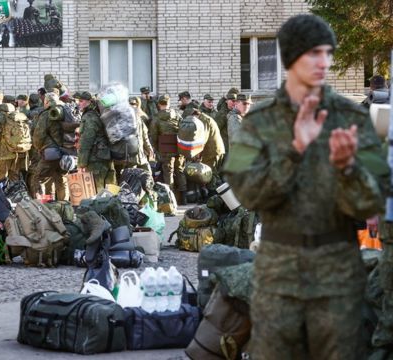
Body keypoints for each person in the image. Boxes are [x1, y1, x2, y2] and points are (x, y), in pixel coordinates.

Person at [223, 14, 388, 359]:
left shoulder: (353, 118)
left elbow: (374, 200)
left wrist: (347, 169)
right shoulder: (258, 121)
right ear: (291, 58)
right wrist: (294, 150)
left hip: (338, 272)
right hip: (278, 272)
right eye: (314, 53)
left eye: (328, 53)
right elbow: (247, 194)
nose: (324, 62)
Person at [77, 91, 116, 192]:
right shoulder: (100, 114)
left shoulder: (89, 117)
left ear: (89, 102)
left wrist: (82, 164)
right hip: (107, 156)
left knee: (96, 191)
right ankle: (114, 207)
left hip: (96, 159)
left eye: (81, 101)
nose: (78, 103)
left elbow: (86, 142)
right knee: (111, 190)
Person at [33, 92, 69, 200]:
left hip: (50, 152)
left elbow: (39, 135)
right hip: (66, 152)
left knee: (39, 178)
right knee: (61, 179)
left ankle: (43, 206)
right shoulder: (65, 112)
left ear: (47, 102)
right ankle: (64, 206)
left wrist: (39, 148)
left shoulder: (46, 114)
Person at [150, 94, 184, 203]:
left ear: (159, 105)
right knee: (180, 170)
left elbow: (154, 135)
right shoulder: (177, 115)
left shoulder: (157, 118)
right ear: (168, 103)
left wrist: (155, 148)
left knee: (168, 172)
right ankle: (183, 198)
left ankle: (171, 199)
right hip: (179, 147)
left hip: (165, 149)